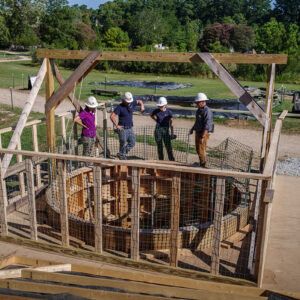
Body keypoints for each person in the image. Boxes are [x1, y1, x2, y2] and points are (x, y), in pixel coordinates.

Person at [110, 92, 145, 160]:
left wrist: (142, 106)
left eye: (129, 102)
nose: (129, 103)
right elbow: (112, 116)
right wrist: (117, 125)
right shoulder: (120, 107)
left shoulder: (132, 103)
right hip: (122, 128)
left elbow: (139, 101)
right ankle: (122, 156)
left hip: (130, 127)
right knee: (122, 142)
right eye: (127, 102)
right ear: (124, 100)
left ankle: (121, 153)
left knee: (132, 142)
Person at [189, 93, 214, 167]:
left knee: (201, 149)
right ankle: (201, 163)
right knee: (198, 149)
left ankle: (203, 165)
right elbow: (197, 121)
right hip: (198, 131)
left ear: (203, 102)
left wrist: (202, 137)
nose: (196, 104)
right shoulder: (199, 110)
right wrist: (192, 129)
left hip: (203, 133)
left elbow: (207, 125)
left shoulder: (207, 111)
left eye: (197, 102)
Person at [74, 96, 99, 162]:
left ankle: (86, 162)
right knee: (86, 150)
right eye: (92, 106)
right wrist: (83, 125)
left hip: (93, 134)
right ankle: (84, 163)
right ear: (88, 106)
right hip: (86, 135)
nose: (94, 108)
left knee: (90, 149)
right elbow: (75, 119)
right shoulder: (84, 113)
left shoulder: (93, 111)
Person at [150, 97, 175, 161]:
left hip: (166, 130)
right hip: (158, 130)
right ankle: (161, 160)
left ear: (165, 105)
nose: (160, 107)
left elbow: (171, 123)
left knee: (168, 146)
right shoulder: (156, 111)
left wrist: (172, 133)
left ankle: (171, 160)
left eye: (161, 106)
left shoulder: (169, 112)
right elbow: (151, 114)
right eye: (159, 106)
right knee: (159, 146)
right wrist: (155, 120)